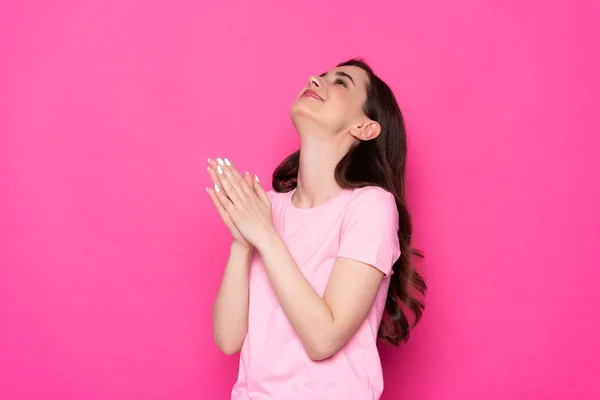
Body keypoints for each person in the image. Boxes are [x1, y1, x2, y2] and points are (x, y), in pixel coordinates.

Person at [206, 58, 426, 399]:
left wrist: (264, 235)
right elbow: (227, 338)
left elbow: (324, 339)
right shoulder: (268, 206)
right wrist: (241, 242)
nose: (316, 79)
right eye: (321, 76)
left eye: (340, 82)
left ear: (364, 128)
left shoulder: (370, 207)